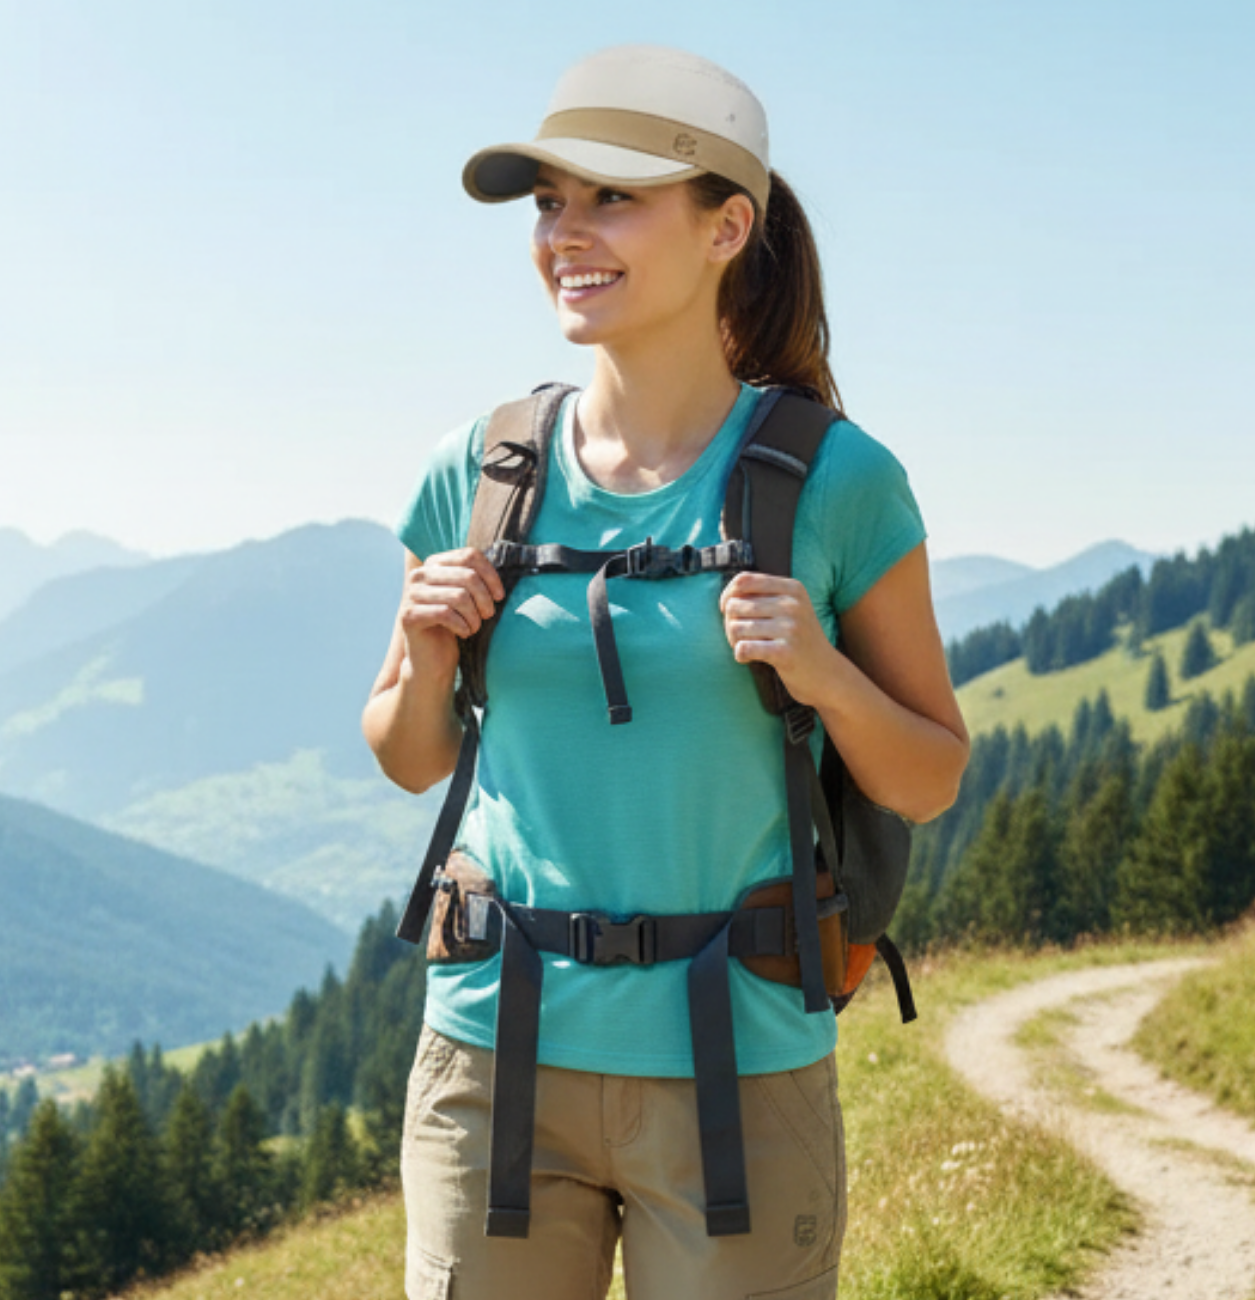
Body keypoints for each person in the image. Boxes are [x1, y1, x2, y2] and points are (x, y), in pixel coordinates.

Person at [362, 42, 970, 1300]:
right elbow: (409, 755)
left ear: (724, 227)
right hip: (489, 1057)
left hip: (737, 1064)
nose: (564, 234)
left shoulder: (839, 481)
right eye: (548, 202)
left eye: (612, 197)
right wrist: (424, 653)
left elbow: (927, 778)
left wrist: (824, 675)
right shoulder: (480, 468)